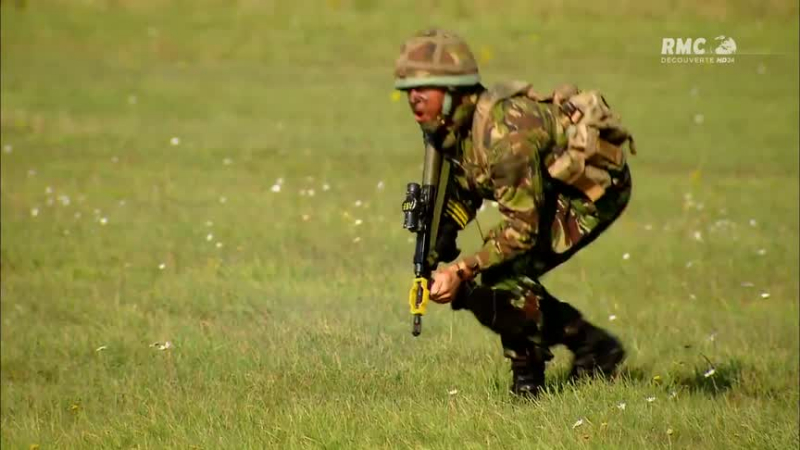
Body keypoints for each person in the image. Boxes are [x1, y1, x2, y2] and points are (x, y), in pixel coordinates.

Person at [394, 28, 635, 397]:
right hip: (547, 190)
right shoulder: (450, 127)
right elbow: (468, 186)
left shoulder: (504, 136)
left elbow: (522, 230)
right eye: (408, 91)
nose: (414, 99)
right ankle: (577, 350)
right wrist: (443, 235)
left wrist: (461, 268)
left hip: (591, 193)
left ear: (455, 90)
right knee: (489, 278)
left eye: (425, 89)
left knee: (497, 275)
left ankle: (572, 356)